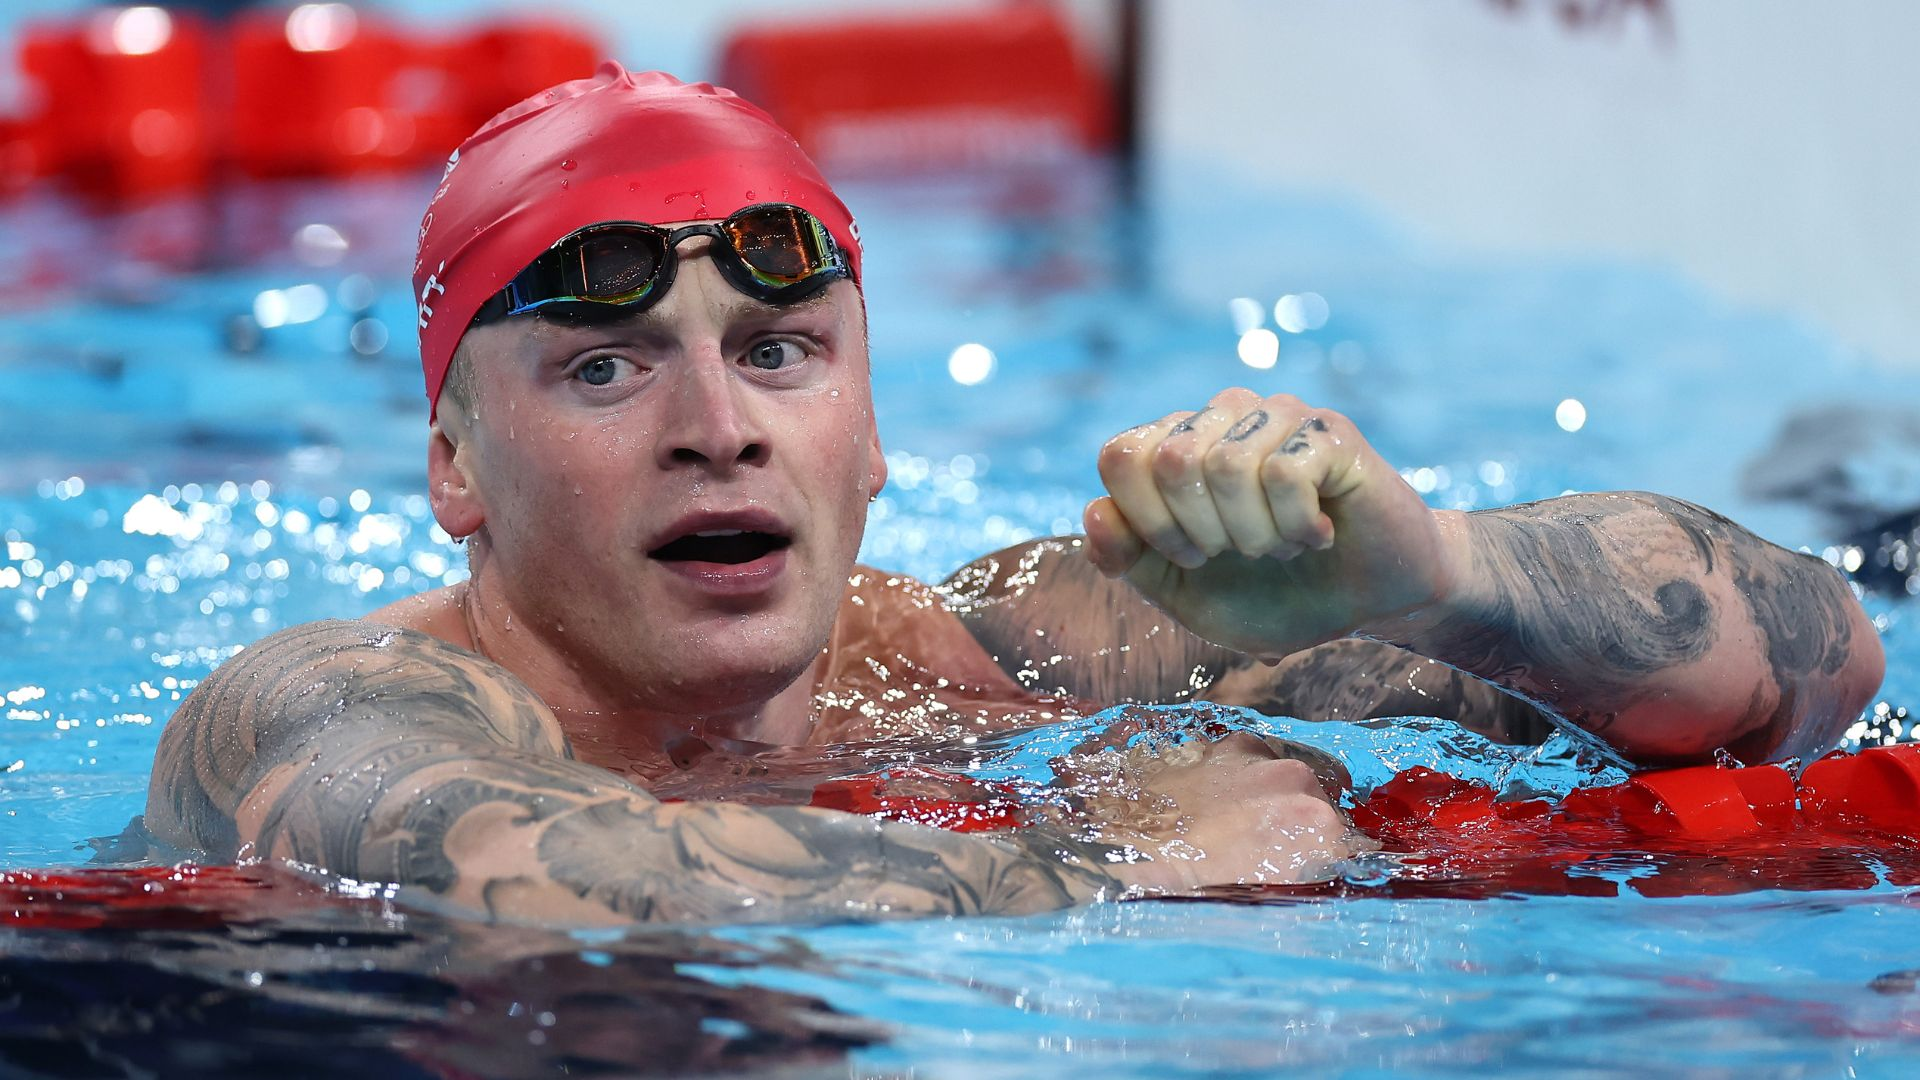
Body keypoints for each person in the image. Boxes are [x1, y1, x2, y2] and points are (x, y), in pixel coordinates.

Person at [143, 65, 1884, 926]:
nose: (715, 425)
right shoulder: (323, 705)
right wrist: (1124, 862)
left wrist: (1427, 572)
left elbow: (1819, 670)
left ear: (872, 429)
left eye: (779, 351)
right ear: (453, 465)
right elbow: (525, 874)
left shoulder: (996, 654)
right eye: (604, 367)